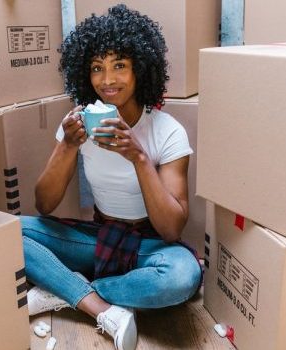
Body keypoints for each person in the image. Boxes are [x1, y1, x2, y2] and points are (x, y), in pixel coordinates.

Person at [20, 5, 201, 350]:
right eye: (96, 68)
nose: (107, 81)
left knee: (183, 276)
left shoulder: (167, 132)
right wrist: (68, 146)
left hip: (150, 246)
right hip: (100, 237)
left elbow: (172, 229)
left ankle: (65, 288)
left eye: (119, 65)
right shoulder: (78, 124)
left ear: (140, 70)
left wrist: (138, 157)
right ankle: (98, 306)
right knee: (11, 232)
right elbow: (44, 204)